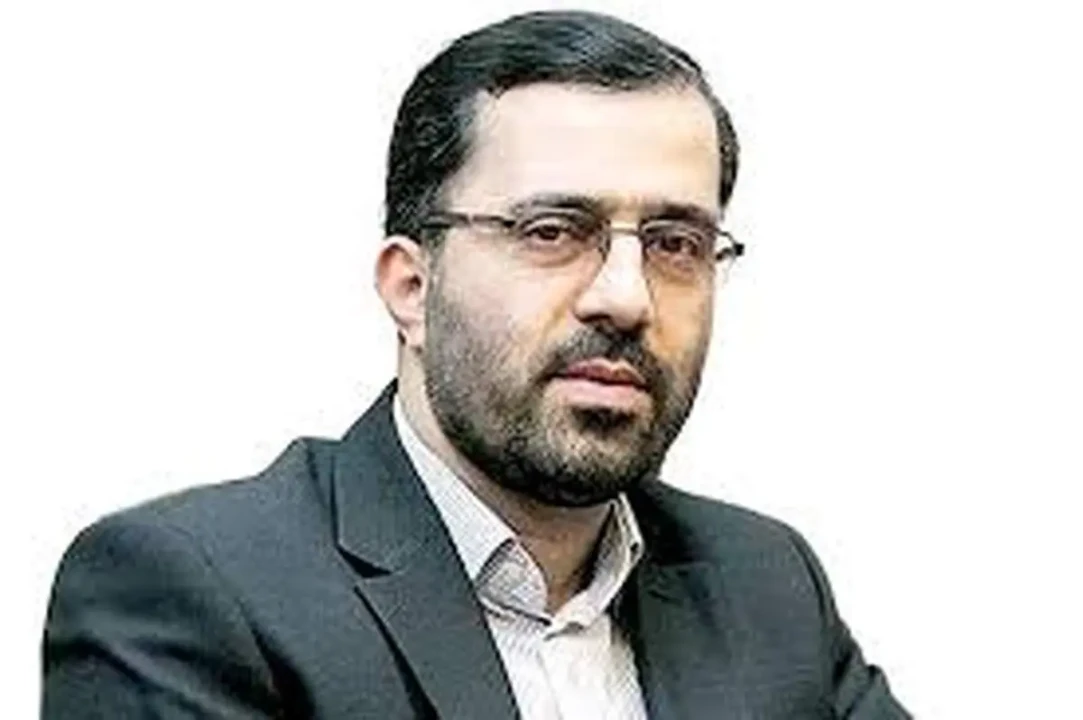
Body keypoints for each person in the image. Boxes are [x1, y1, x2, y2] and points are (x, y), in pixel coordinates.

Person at [41, 10, 909, 719]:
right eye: (551, 231)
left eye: (675, 243)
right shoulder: (193, 592)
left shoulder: (764, 584)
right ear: (411, 287)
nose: (626, 296)